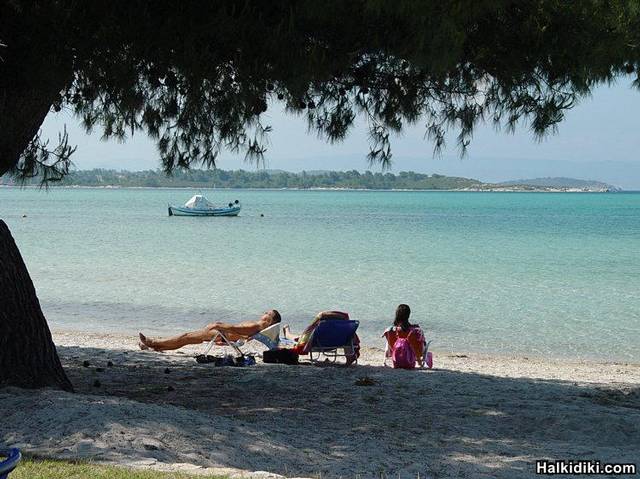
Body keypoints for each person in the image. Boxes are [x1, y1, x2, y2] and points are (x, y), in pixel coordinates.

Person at [138, 309, 281, 351]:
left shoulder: (255, 326)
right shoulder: (258, 327)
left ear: (269, 319)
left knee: (186, 336)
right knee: (187, 339)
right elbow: (241, 332)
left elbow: (235, 328)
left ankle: (153, 342)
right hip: (224, 335)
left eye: (267, 312)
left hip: (221, 334)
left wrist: (217, 324)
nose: (263, 312)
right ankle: (157, 345)